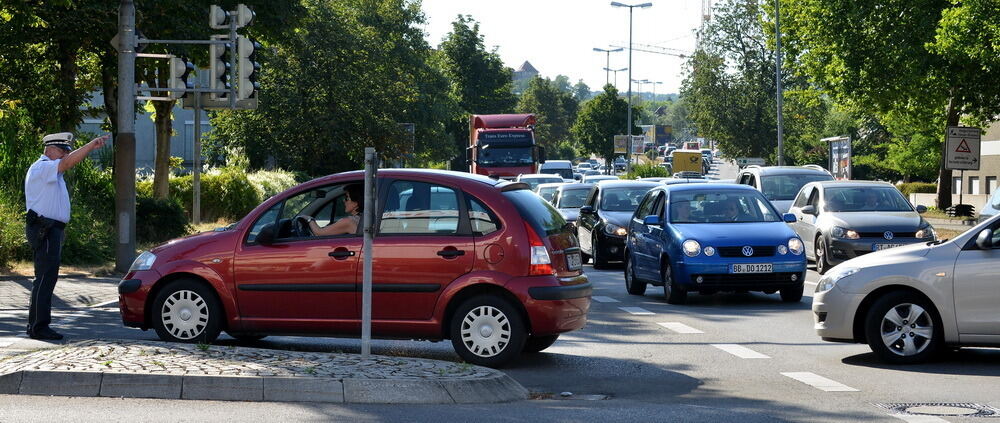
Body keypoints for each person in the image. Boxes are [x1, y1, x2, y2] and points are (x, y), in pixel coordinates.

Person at [24, 132, 108, 340]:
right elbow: (68, 163)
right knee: (45, 279)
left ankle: (35, 325)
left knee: (45, 279)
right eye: (62, 151)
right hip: (46, 229)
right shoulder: (42, 167)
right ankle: (38, 327)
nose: (65, 156)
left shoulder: (51, 171)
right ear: (50, 149)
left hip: (52, 230)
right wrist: (90, 146)